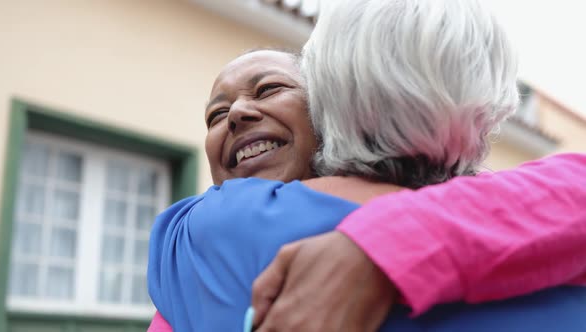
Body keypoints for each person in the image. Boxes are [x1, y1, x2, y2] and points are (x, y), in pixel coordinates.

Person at [147, 1, 586, 330]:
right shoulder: (191, 238)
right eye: (215, 115)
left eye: (268, 89)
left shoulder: (195, 241)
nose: (238, 113)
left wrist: (383, 247)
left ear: (330, 103)